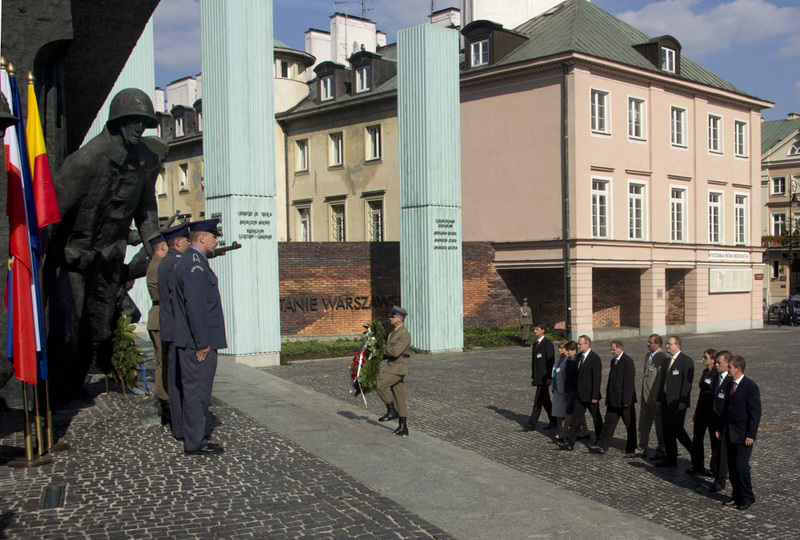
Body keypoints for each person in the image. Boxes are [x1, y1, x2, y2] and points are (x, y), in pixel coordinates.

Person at [44, 88, 162, 400]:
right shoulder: (86, 161)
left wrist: (160, 253)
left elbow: (147, 213)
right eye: (133, 121)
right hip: (72, 259)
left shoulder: (147, 162)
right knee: (66, 329)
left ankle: (72, 386)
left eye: (144, 123)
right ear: (117, 122)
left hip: (108, 260)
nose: (139, 128)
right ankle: (53, 391)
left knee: (97, 330)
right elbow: (49, 214)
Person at [173, 219, 227, 455]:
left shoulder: (193, 261)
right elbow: (195, 306)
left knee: (194, 390)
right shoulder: (194, 264)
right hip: (197, 343)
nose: (217, 240)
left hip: (191, 339)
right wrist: (203, 341)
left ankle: (191, 434)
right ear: (202, 238)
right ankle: (195, 442)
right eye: (214, 236)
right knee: (197, 391)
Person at [157, 222, 191, 440]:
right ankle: (181, 428)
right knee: (179, 382)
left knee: (175, 380)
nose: (189, 244)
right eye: (187, 240)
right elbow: (179, 299)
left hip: (170, 329)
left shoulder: (165, 262)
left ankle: (179, 426)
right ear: (178, 242)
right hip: (178, 331)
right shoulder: (176, 263)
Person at [717, 356, 761, 510]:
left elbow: (755, 413)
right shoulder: (729, 385)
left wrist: (751, 434)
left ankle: (747, 496)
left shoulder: (750, 386)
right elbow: (725, 409)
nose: (727, 369)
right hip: (729, 431)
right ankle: (736, 495)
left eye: (730, 367)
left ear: (738, 368)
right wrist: (720, 428)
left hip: (743, 435)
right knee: (733, 467)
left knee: (741, 466)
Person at [591, 340, 637, 456]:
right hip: (613, 399)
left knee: (629, 425)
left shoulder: (627, 361)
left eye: (613, 350)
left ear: (620, 348)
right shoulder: (613, 361)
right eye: (611, 350)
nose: (612, 352)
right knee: (608, 423)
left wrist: (627, 400)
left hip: (624, 400)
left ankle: (631, 448)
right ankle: (602, 445)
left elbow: (629, 382)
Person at [655, 335, 694, 467]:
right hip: (666, 402)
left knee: (677, 430)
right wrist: (660, 399)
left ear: (677, 345)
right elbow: (662, 383)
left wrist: (683, 400)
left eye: (669, 344)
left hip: (677, 403)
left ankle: (694, 452)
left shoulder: (686, 361)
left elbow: (687, 384)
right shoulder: (666, 362)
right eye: (667, 344)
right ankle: (671, 458)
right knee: (667, 431)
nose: (667, 346)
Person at [559, 335, 602, 451]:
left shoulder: (594, 358)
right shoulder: (578, 357)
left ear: (587, 344)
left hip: (590, 395)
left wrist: (594, 396)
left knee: (596, 418)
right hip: (579, 394)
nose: (578, 346)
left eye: (580, 344)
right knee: (575, 419)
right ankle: (570, 443)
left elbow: (597, 379)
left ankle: (601, 441)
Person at [376, 306, 412, 437]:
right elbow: (388, 352)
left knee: (379, 385)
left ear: (400, 318)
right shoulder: (392, 333)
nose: (390, 318)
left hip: (399, 367)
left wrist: (380, 348)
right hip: (392, 365)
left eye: (393, 316)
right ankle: (403, 427)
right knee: (399, 397)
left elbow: (395, 351)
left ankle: (392, 411)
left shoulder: (404, 334)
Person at [146, 234, 170, 424]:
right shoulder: (159, 265)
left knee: (162, 363)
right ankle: (166, 404)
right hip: (161, 317)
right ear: (162, 247)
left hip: (159, 316)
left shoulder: (157, 263)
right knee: (163, 363)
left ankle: (166, 401)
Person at [687, 348, 717, 475]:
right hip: (702, 409)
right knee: (697, 437)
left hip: (711, 410)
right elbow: (701, 392)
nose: (703, 359)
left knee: (713, 439)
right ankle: (697, 465)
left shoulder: (717, 374)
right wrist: (696, 411)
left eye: (706, 357)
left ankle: (715, 467)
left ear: (713, 360)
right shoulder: (705, 372)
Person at [637, 334, 667, 460]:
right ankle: (641, 448)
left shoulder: (661, 357)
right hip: (645, 396)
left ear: (657, 344)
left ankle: (662, 448)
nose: (648, 344)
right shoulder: (647, 355)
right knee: (643, 423)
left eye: (650, 342)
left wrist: (657, 397)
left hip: (654, 397)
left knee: (659, 425)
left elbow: (660, 380)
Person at [708, 350, 733, 493]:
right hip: (713, 419)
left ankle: (720, 479)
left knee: (723, 451)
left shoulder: (730, 380)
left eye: (719, 363)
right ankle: (716, 472)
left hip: (723, 421)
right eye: (716, 362)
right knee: (715, 449)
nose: (716, 365)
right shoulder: (716, 376)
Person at [528, 322, 555, 430]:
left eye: (537, 329)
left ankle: (532, 424)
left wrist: (549, 377)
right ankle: (554, 420)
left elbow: (550, 362)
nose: (535, 331)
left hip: (544, 377)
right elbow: (534, 362)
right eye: (534, 329)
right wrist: (534, 377)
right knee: (545, 401)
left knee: (538, 401)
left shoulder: (547, 344)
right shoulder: (535, 344)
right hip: (538, 377)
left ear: (543, 330)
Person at [551, 340, 574, 440]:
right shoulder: (557, 358)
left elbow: (569, 376)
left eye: (561, 348)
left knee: (569, 411)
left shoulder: (568, 360)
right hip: (556, 388)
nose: (559, 350)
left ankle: (579, 428)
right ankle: (560, 427)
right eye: (559, 348)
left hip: (564, 389)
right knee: (557, 410)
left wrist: (566, 391)